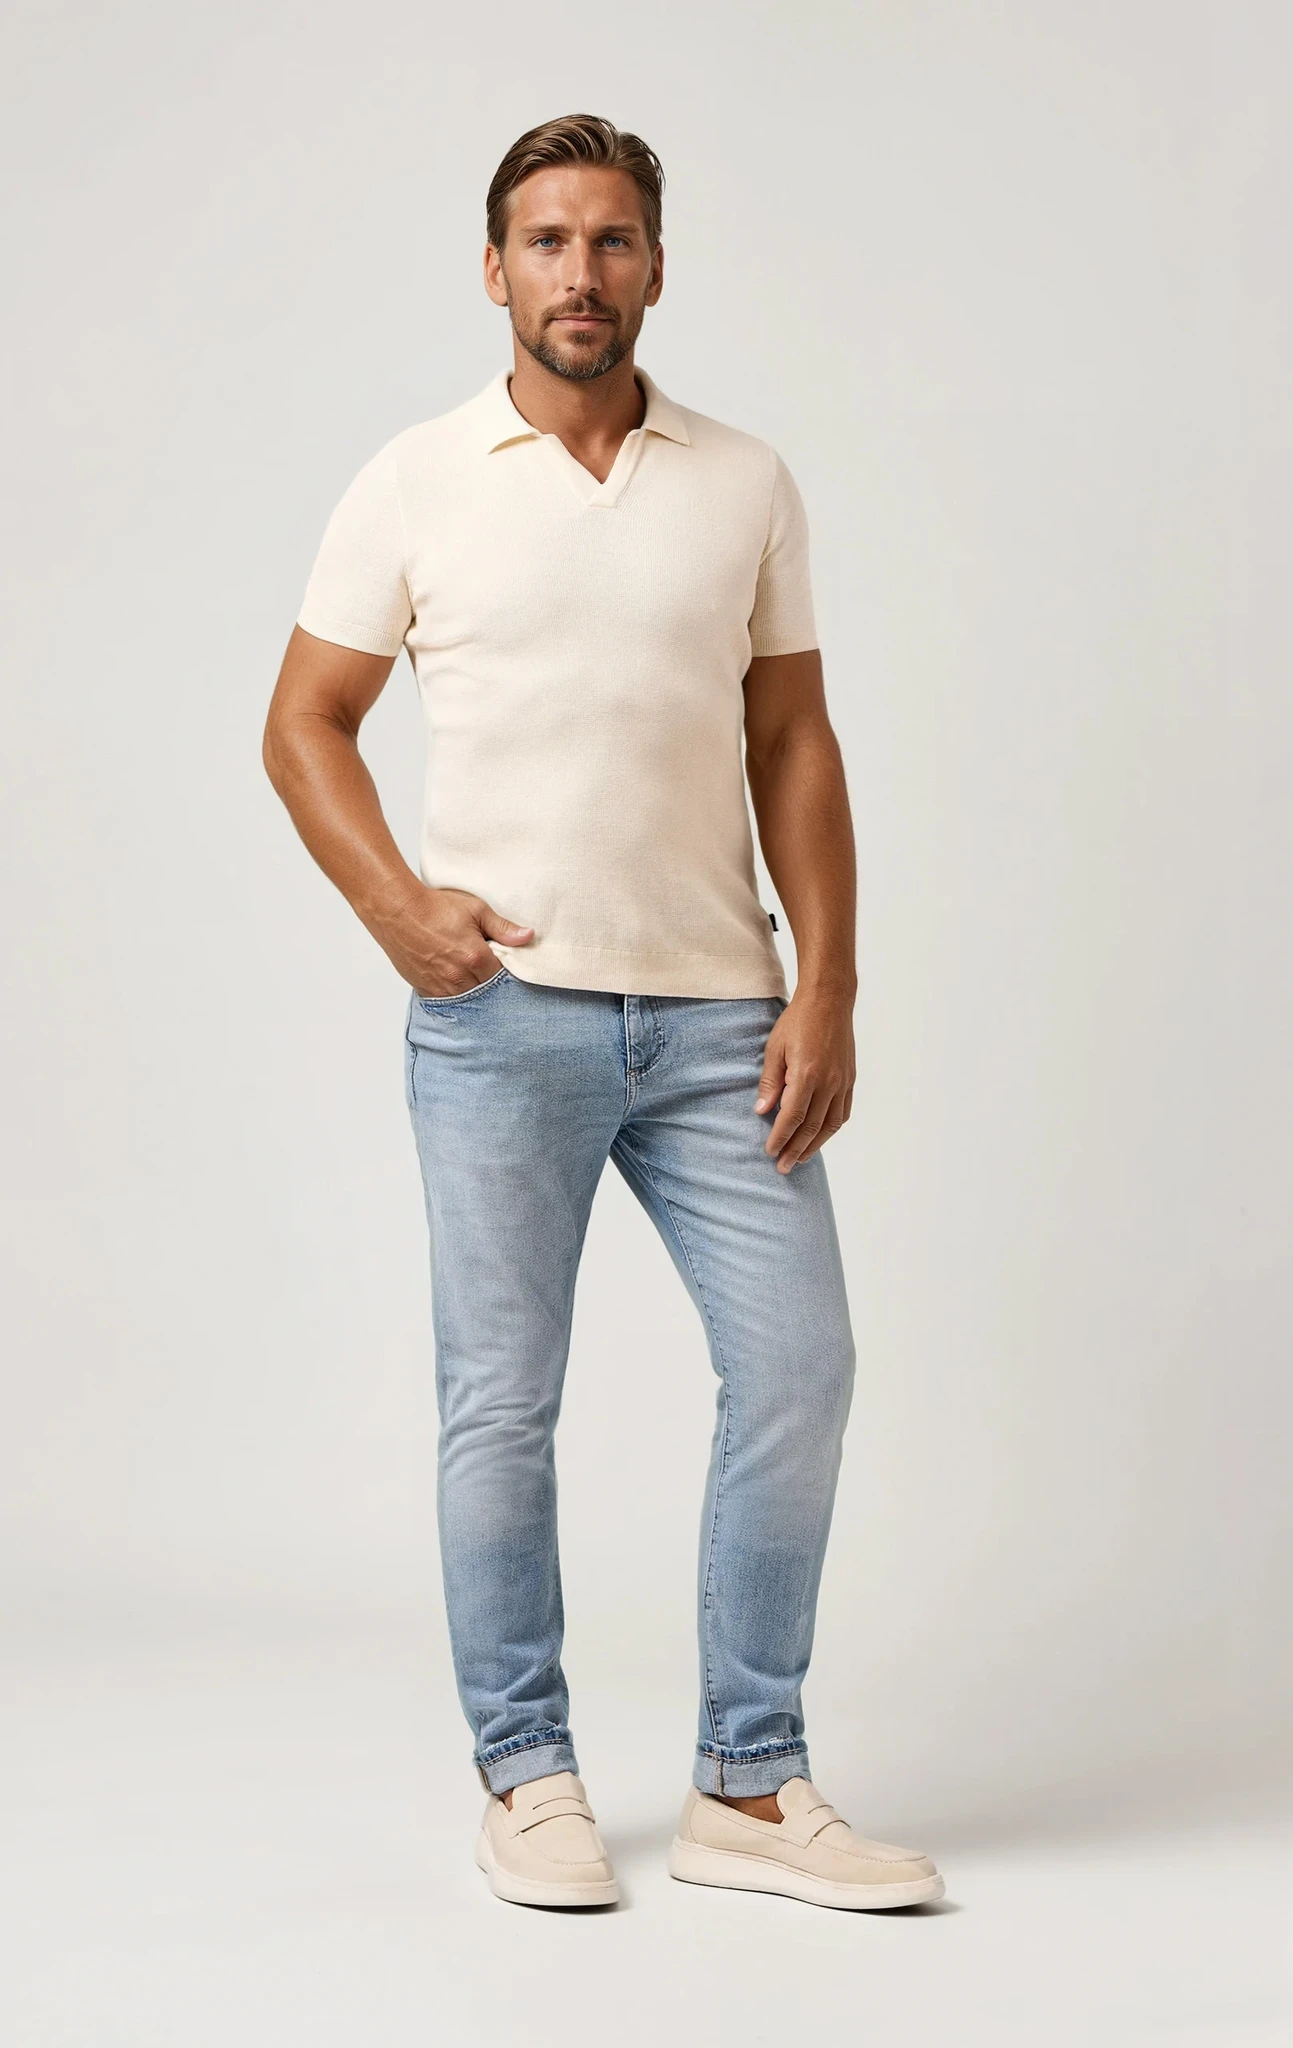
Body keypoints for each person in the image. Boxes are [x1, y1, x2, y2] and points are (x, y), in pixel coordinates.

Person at [263, 112, 944, 1914]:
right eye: (550, 241)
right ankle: (528, 1771)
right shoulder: (416, 478)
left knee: (799, 1367)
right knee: (503, 1404)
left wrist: (830, 986)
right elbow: (303, 722)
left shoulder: (746, 481)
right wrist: (398, 908)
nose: (583, 271)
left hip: (723, 1019)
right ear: (496, 269)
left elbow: (793, 739)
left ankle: (748, 1781)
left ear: (656, 265)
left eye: (614, 239)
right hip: (504, 1021)